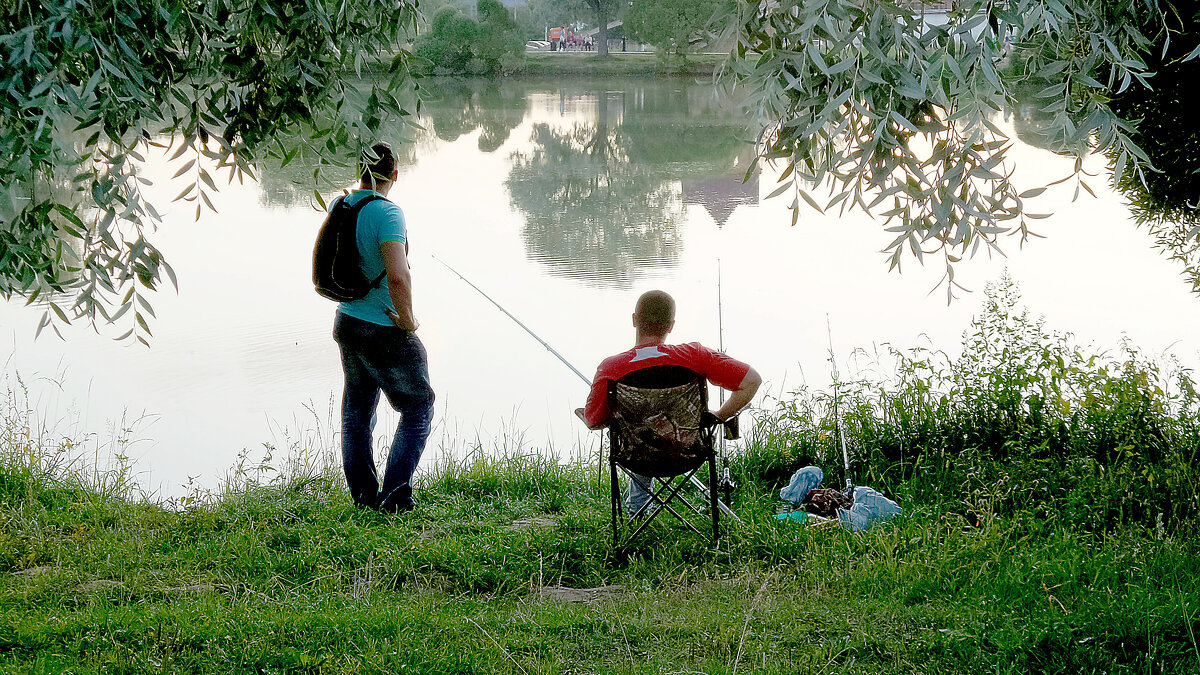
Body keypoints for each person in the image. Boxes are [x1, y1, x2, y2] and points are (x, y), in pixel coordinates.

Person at [578, 290, 762, 515]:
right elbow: (752, 381)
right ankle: (640, 506)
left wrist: (590, 415)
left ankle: (637, 510)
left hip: (636, 457)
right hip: (689, 453)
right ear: (671, 325)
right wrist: (718, 416)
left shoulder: (611, 367)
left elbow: (595, 420)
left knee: (639, 428)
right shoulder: (695, 356)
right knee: (652, 426)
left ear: (635, 319)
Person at [331, 142, 434, 513]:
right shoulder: (389, 214)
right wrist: (408, 319)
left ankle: (363, 497)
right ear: (394, 174)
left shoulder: (340, 205)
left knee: (357, 410)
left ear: (360, 169)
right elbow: (398, 276)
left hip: (347, 321)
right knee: (419, 406)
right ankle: (393, 499)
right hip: (382, 329)